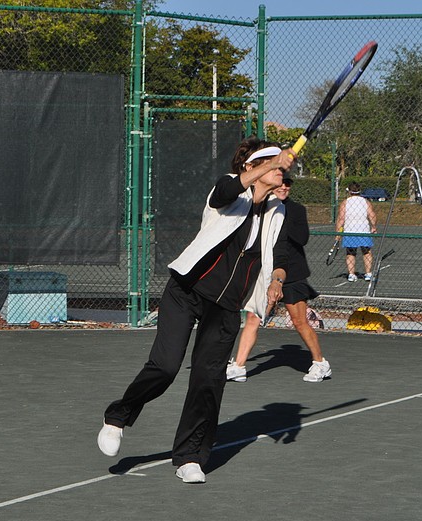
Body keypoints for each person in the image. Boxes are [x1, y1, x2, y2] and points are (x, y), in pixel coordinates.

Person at [97, 138, 295, 484]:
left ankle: (190, 456)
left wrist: (277, 280)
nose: (279, 169)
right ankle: (119, 415)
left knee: (208, 380)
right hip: (187, 291)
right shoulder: (227, 193)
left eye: (279, 164)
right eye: (270, 164)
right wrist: (270, 163)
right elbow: (225, 190)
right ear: (251, 167)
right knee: (166, 366)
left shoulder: (278, 210)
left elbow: (280, 256)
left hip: (228, 306)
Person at [226, 175, 332, 384]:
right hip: (264, 272)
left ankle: (320, 363)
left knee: (299, 321)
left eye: (288, 184)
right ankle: (238, 366)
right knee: (253, 318)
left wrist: (281, 216)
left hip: (291, 274)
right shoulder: (262, 207)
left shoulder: (296, 210)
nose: (283, 187)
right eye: (280, 183)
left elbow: (302, 238)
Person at [335, 182, 377, 282]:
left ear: (349, 191)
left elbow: (341, 218)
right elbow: (372, 215)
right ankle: (368, 273)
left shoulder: (345, 202)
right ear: (359, 191)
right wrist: (374, 227)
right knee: (366, 252)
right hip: (363, 231)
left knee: (350, 253)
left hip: (350, 231)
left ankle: (351, 274)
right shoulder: (365, 202)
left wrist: (338, 232)